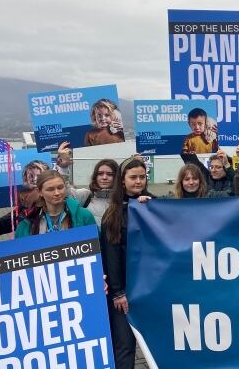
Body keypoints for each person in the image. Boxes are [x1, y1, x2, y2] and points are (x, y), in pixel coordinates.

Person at [101, 157, 153, 369]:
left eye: (142, 177)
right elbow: (110, 255)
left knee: (156, 343)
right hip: (124, 291)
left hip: (151, 289)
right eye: (133, 177)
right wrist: (118, 292)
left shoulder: (155, 204)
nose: (138, 181)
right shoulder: (112, 214)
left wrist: (150, 208)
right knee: (125, 345)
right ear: (123, 180)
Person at [12, 170, 96, 237]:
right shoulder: (27, 223)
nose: (57, 193)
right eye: (50, 189)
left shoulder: (84, 216)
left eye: (60, 187)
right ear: (40, 192)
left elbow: (96, 247)